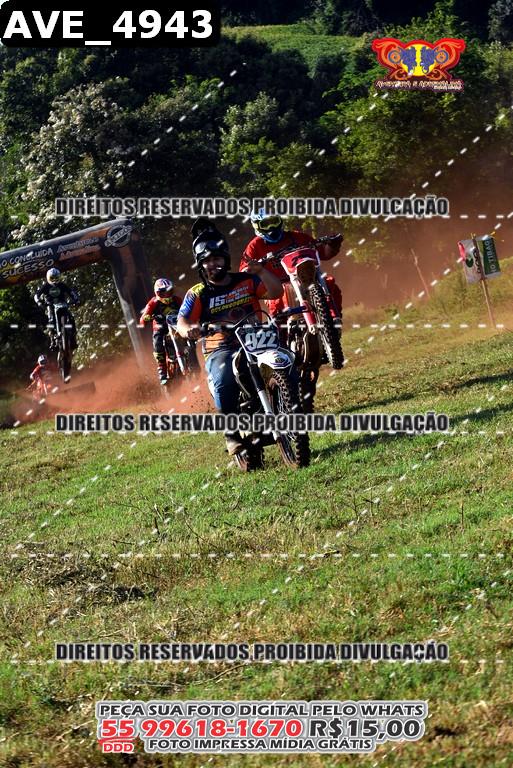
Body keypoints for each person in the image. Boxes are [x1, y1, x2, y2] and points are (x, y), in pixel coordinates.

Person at [176, 219, 283, 456]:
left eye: (217, 259)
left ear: (226, 259)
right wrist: (188, 330)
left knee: (288, 359)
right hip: (221, 348)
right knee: (224, 378)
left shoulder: (246, 280)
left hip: (256, 339)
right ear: (200, 265)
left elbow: (276, 292)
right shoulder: (198, 293)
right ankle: (231, 433)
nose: (213, 264)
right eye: (207, 261)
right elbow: (181, 321)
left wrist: (262, 271)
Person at [240, 209, 343, 323]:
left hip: (306, 279)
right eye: (266, 224)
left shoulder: (296, 236)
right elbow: (243, 272)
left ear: (280, 220)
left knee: (329, 284)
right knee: (279, 302)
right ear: (257, 226)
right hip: (277, 287)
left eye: (274, 222)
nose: (271, 227)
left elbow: (323, 253)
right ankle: (283, 331)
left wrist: (333, 245)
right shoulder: (255, 246)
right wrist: (253, 268)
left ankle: (334, 322)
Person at [139, 278, 183, 385]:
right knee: (157, 342)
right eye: (164, 291)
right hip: (160, 326)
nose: (167, 294)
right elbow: (142, 319)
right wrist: (147, 318)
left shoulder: (177, 300)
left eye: (169, 291)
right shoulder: (153, 303)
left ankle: (191, 355)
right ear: (158, 293)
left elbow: (187, 309)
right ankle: (162, 370)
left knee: (189, 333)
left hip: (176, 325)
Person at [34, 267, 79, 350]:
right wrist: (39, 302)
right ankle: (52, 341)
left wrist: (76, 299)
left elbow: (71, 292)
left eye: (56, 278)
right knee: (51, 320)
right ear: (48, 278)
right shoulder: (46, 286)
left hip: (62, 304)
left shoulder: (62, 285)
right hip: (50, 305)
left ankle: (73, 338)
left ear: (59, 277)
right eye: (52, 278)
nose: (54, 280)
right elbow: (37, 295)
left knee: (71, 318)